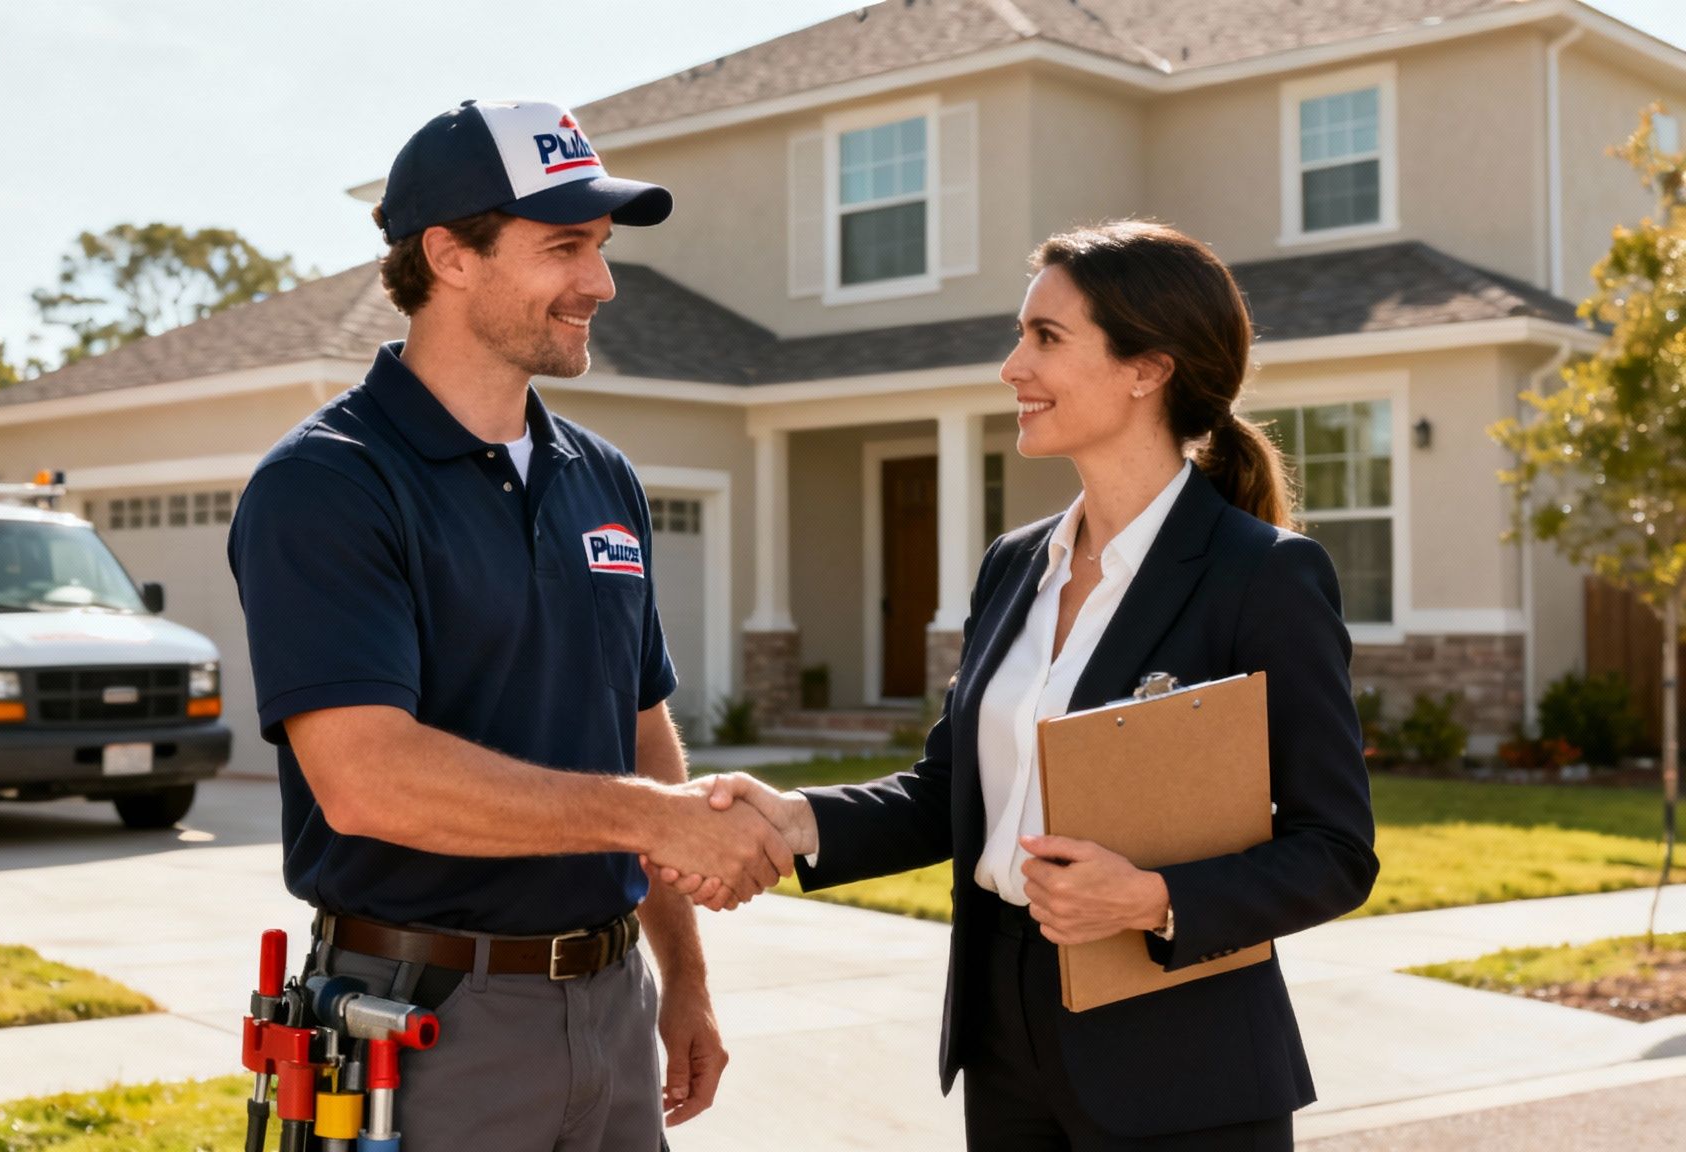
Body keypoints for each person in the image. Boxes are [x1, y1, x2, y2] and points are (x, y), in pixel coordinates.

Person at [671, 221, 1380, 1149]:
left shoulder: (1264, 576)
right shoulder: (1016, 564)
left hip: (1182, 1062)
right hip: (1004, 1036)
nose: (1012, 367)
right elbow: (948, 797)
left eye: (1047, 337)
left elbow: (1336, 849)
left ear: (1146, 369)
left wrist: (1153, 898)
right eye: (1021, 334)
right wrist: (792, 819)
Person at [226, 99, 790, 1152]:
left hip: (612, 1003)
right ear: (448, 255)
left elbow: (638, 733)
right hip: (427, 1023)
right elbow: (365, 778)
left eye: (602, 247)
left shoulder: (601, 475)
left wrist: (683, 981)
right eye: (563, 246)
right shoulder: (327, 485)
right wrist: (651, 820)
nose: (600, 282)